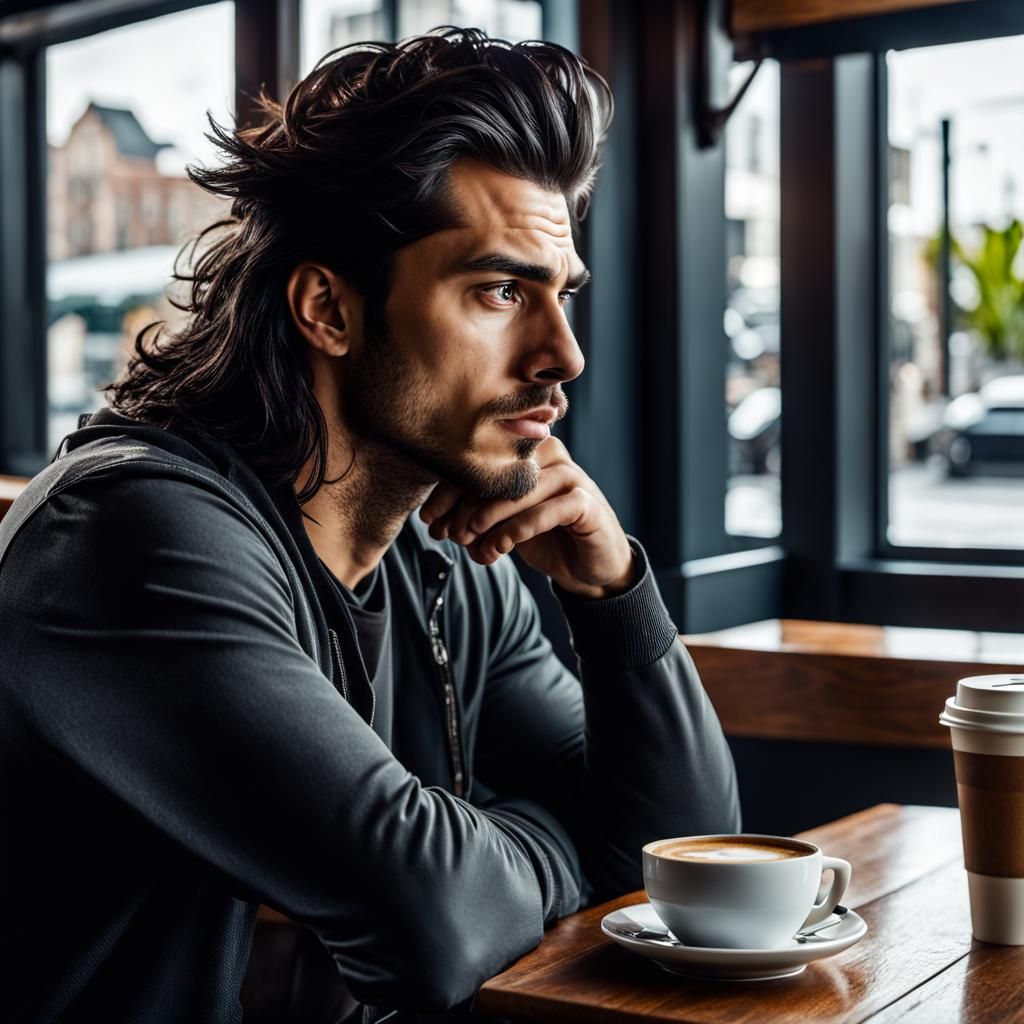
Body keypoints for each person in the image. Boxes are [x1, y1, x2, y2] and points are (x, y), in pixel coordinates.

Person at [0, 29, 740, 1024]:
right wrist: (559, 845)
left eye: (559, 294)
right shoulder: (127, 535)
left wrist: (611, 594)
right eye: (499, 290)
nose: (562, 353)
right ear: (329, 310)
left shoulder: (447, 557)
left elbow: (686, 869)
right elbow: (433, 925)